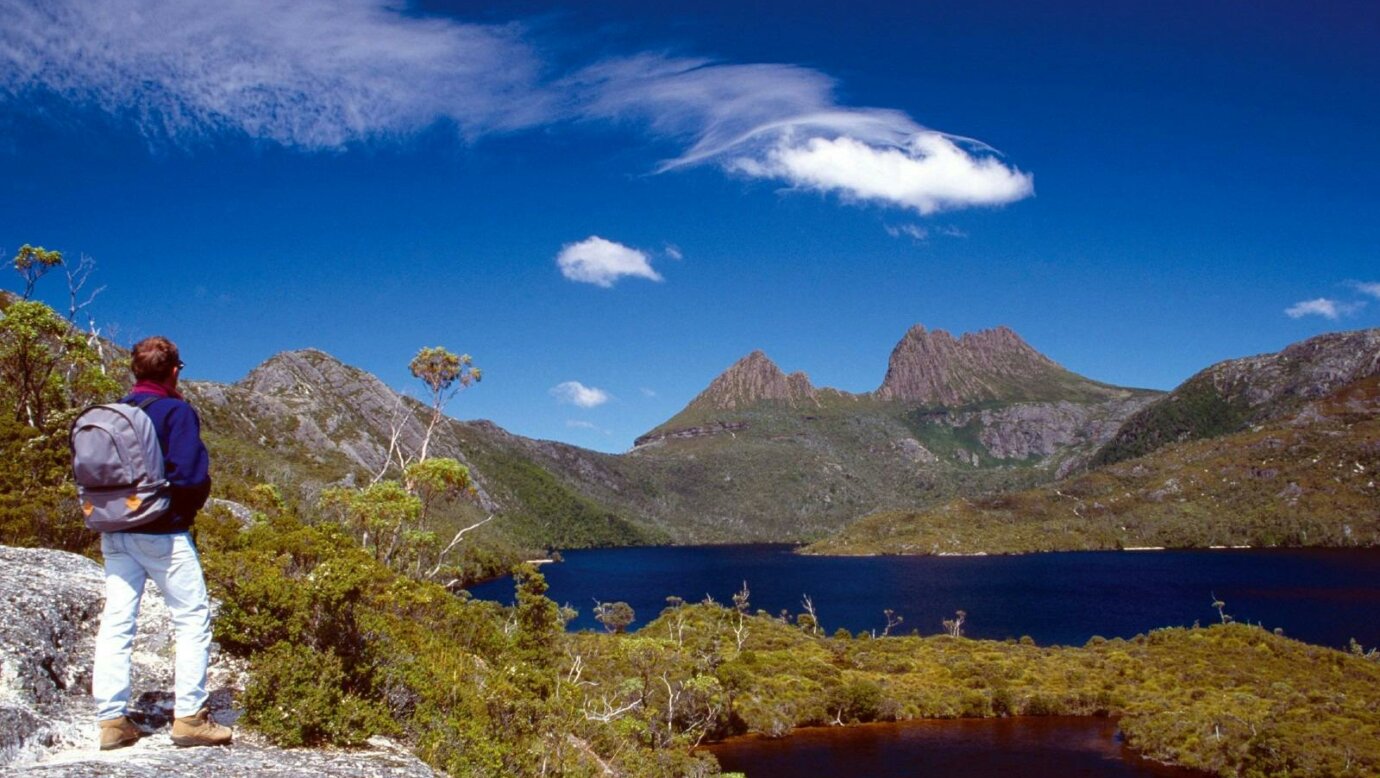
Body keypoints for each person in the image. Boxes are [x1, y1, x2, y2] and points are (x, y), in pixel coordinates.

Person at [93, 336, 231, 750]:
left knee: (117, 622)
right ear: (174, 370)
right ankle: (190, 717)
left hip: (115, 528)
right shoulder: (176, 411)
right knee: (191, 620)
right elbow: (190, 476)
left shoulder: (114, 413)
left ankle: (111, 721)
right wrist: (183, 512)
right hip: (162, 532)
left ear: (135, 372)